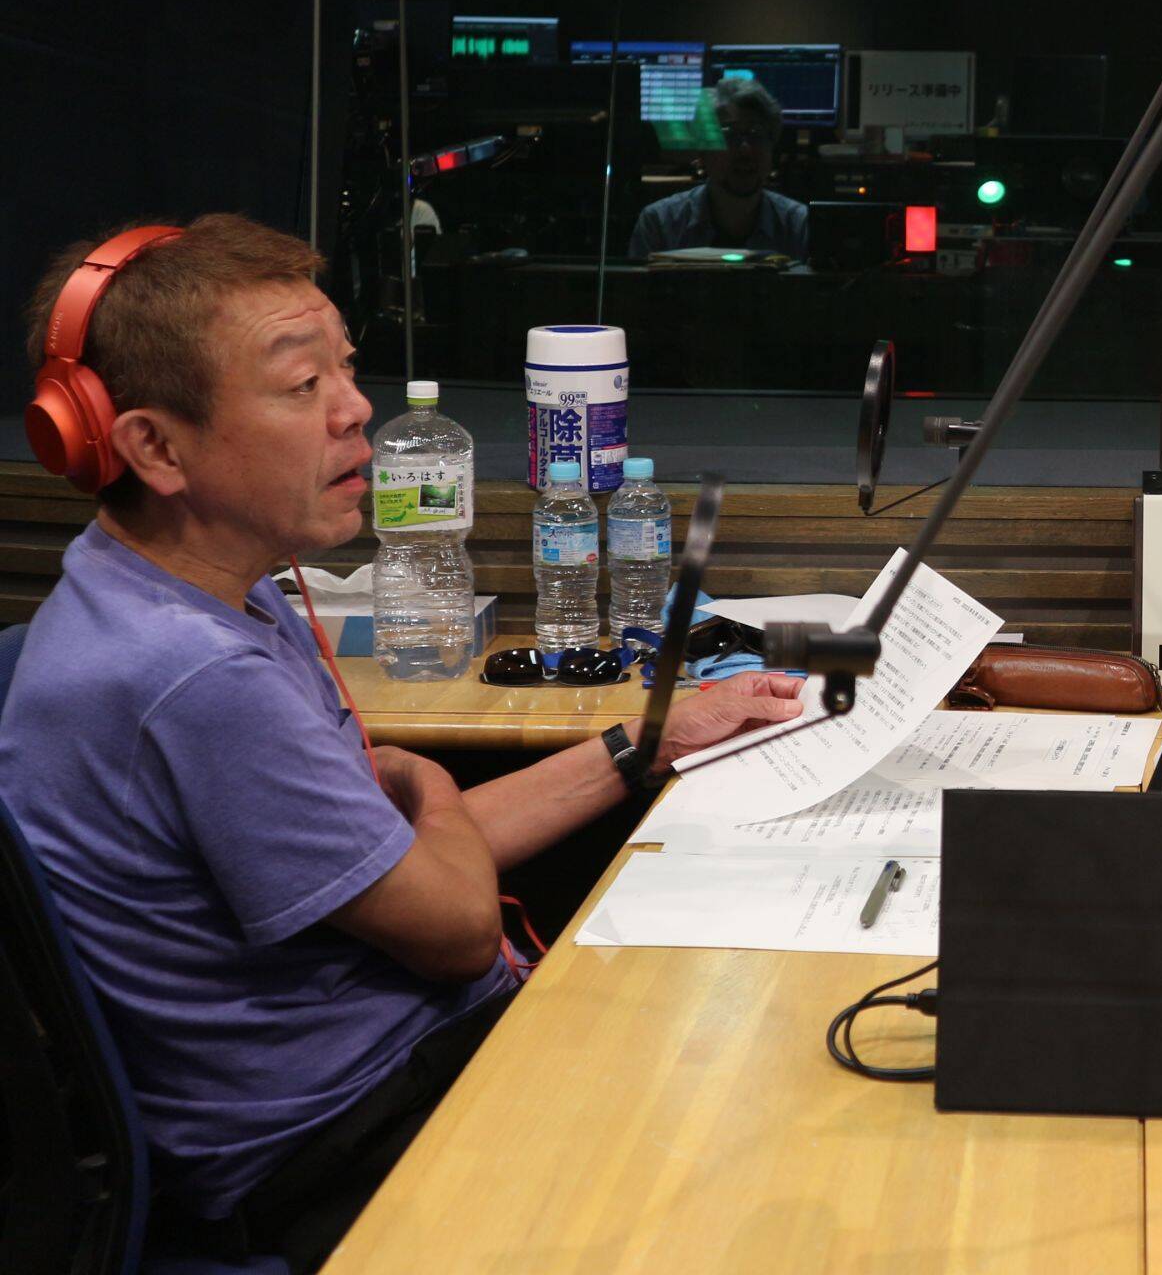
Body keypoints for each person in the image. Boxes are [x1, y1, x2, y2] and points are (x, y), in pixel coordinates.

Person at [0, 215, 811, 1270]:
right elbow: (458, 924)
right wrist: (423, 775)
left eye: (346, 368)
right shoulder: (194, 673)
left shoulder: (183, 593)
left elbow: (403, 861)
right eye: (303, 385)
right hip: (349, 1149)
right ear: (152, 446)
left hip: (398, 1080)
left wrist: (654, 739)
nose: (355, 410)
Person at [626, 77, 810, 260]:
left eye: (757, 134)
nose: (745, 149)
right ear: (702, 152)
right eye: (729, 135)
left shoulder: (799, 225)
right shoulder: (659, 225)